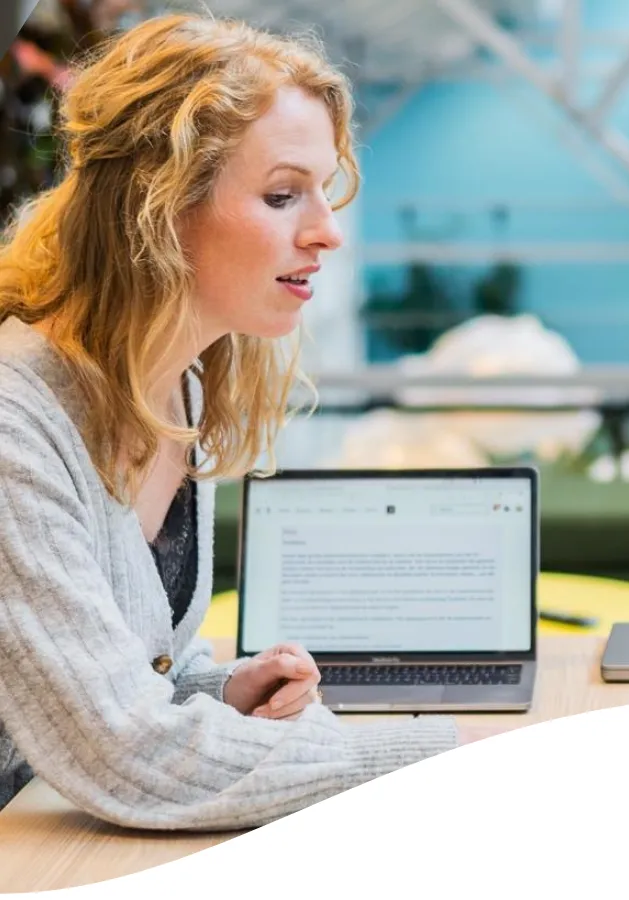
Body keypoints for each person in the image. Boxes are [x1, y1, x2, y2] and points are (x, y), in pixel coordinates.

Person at [0, 13, 499, 830]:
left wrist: (222, 688)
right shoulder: (16, 424)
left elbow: (119, 662)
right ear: (156, 209)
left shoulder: (178, 389)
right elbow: (122, 751)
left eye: (323, 192)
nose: (327, 231)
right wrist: (441, 755)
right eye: (281, 195)